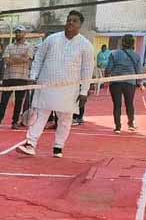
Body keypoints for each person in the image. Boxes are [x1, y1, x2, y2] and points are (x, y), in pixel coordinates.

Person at [15, 10, 94, 159]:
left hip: (69, 89)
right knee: (39, 115)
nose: (70, 23)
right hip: (46, 85)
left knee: (65, 119)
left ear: (80, 25)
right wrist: (33, 76)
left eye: (74, 21)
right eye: (69, 20)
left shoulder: (86, 45)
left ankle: (58, 146)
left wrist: (84, 91)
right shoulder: (52, 39)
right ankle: (30, 144)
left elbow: (87, 69)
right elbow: (39, 58)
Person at [0, 26, 35, 130]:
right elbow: (6, 60)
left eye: (19, 32)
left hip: (22, 77)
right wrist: (20, 58)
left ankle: (15, 122)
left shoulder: (29, 46)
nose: (17, 34)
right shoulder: (9, 46)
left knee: (18, 102)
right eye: (16, 32)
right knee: (3, 101)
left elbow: (27, 59)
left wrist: (13, 59)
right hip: (8, 77)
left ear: (24, 33)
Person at [105, 34, 144, 134]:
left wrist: (106, 78)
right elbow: (139, 71)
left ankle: (117, 127)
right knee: (129, 103)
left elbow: (108, 69)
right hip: (130, 83)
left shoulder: (114, 54)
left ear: (122, 43)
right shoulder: (136, 56)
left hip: (115, 82)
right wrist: (140, 83)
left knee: (117, 105)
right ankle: (131, 124)